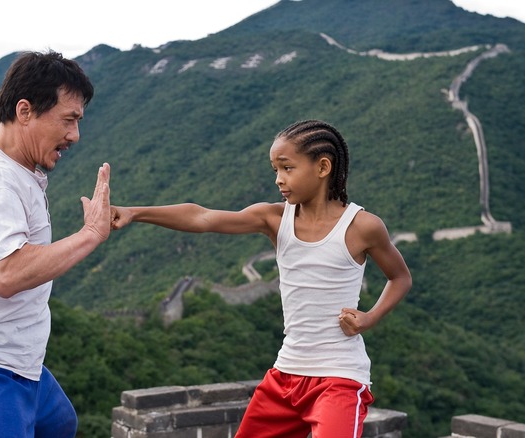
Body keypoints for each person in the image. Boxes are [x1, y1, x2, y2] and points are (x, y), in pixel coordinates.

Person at [110, 119, 411, 438]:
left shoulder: (362, 226)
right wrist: (135, 212)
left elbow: (400, 277)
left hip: (339, 377)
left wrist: (370, 318)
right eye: (275, 170)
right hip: (285, 375)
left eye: (287, 168)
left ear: (322, 167)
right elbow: (202, 217)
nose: (279, 179)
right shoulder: (274, 218)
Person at [0, 50, 111, 438]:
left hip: (21, 361)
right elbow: (6, 274)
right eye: (69, 120)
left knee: (60, 424)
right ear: (25, 110)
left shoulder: (13, 172)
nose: (75, 135)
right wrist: (90, 234)